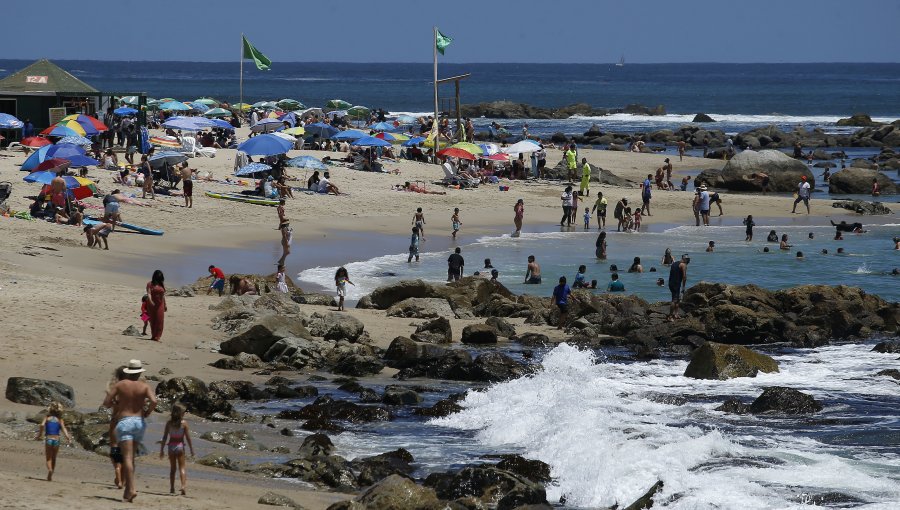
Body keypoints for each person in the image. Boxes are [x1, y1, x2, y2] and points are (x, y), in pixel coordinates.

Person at [103, 359, 157, 503]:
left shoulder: (121, 385)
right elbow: (154, 401)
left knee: (126, 458)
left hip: (125, 422)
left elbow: (106, 402)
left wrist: (116, 403)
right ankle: (127, 491)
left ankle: (132, 489)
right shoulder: (144, 386)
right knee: (131, 458)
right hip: (139, 423)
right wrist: (147, 412)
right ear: (139, 372)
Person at [159, 403, 194, 496]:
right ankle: (183, 486)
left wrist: (161, 450)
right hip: (180, 446)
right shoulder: (184, 423)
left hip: (171, 447)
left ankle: (172, 488)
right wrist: (191, 449)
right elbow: (188, 438)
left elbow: (164, 437)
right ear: (181, 413)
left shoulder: (169, 423)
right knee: (182, 468)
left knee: (172, 469)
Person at [34, 402, 72, 481]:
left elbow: (41, 425)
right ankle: (51, 474)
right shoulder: (59, 419)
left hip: (49, 439)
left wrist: (39, 435)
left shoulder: (47, 417)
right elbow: (63, 428)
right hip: (57, 440)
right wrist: (68, 437)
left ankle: (50, 470)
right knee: (54, 458)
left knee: (48, 458)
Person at [106, 366, 126, 489]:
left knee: (114, 446)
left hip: (115, 418)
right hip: (127, 419)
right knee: (125, 449)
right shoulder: (132, 387)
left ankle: (117, 469)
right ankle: (122, 480)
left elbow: (107, 403)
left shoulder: (115, 387)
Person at [145, 270, 166, 341]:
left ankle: (158, 336)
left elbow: (163, 295)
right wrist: (151, 301)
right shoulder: (149, 284)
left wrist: (165, 305)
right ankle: (153, 335)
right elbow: (149, 293)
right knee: (152, 320)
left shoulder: (161, 284)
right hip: (151, 305)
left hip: (160, 304)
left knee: (160, 320)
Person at [668, 254, 689, 320]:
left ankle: (676, 314)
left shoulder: (674, 263)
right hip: (676, 284)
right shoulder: (683, 265)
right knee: (674, 300)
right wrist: (683, 287)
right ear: (685, 259)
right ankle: (670, 316)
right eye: (688, 260)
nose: (689, 261)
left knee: (677, 299)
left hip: (671, 283)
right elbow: (684, 277)